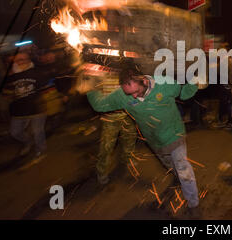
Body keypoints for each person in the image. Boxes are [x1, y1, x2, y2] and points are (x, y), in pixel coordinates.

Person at [80, 67, 201, 209]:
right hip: (154, 141)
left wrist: (195, 82)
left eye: (136, 92)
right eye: (130, 94)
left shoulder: (164, 84)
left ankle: (193, 203)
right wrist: (89, 88)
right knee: (171, 165)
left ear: (144, 80)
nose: (134, 97)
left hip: (174, 134)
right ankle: (177, 177)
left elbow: (184, 93)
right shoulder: (122, 96)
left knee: (182, 167)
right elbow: (100, 105)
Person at [5, 51, 50, 158]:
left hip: (37, 109)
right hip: (19, 111)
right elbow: (7, 92)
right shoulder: (11, 75)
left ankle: (41, 150)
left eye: (23, 59)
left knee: (37, 132)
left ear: (29, 60)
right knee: (15, 132)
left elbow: (47, 86)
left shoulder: (37, 72)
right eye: (18, 60)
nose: (21, 62)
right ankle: (28, 142)